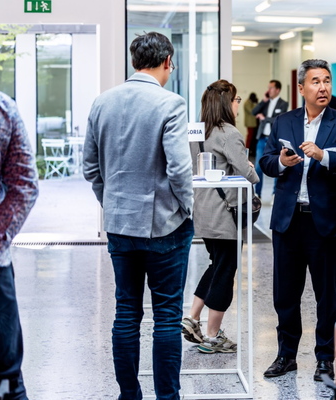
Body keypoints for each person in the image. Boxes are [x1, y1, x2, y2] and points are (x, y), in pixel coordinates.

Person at [83, 32, 195, 400]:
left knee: (127, 311)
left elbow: (90, 168)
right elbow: (179, 169)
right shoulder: (171, 103)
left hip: (119, 225)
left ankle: (129, 395)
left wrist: (111, 203)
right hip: (165, 227)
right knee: (167, 315)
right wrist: (186, 208)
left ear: (134, 62)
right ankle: (167, 396)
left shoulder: (102, 102)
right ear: (168, 62)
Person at [259, 59, 336, 381]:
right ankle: (286, 355)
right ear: (301, 87)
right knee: (285, 295)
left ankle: (325, 359)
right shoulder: (283, 122)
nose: (323, 87)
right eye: (316, 81)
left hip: (327, 223)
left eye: (327, 81)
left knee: (327, 296)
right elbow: (266, 161)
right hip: (288, 221)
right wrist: (281, 161)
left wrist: (324, 155)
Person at [181, 80, 259, 353]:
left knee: (217, 265)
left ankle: (192, 317)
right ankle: (213, 335)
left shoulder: (197, 132)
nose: (238, 105)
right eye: (236, 100)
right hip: (226, 215)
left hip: (204, 212)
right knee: (226, 272)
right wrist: (250, 168)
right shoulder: (229, 133)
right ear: (227, 103)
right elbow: (249, 175)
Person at [0, 87, 39, 400]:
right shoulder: (0, 108)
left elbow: (24, 186)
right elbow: (24, 186)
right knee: (6, 377)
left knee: (7, 375)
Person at [252, 80, 288, 198]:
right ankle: (257, 193)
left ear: (277, 90)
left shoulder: (283, 104)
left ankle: (275, 194)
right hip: (262, 138)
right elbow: (254, 112)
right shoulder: (265, 103)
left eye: (271, 88)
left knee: (277, 165)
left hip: (275, 140)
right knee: (258, 167)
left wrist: (265, 118)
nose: (268, 90)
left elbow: (279, 119)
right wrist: (263, 100)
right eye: (268, 88)